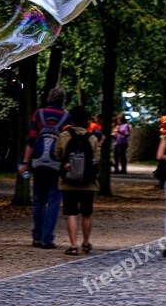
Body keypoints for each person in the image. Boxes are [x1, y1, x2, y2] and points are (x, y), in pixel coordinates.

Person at [18, 87, 70, 250]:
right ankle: (47, 239)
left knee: (38, 201)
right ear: (63, 100)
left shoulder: (38, 114)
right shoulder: (67, 117)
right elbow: (67, 142)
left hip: (38, 162)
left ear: (48, 97)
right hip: (57, 164)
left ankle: (36, 236)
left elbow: (32, 140)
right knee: (54, 201)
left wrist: (26, 162)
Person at [55, 106, 98, 256]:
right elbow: (95, 160)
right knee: (87, 213)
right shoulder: (92, 138)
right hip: (88, 182)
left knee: (71, 212)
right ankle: (86, 243)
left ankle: (73, 246)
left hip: (69, 181)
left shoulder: (64, 135)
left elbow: (57, 154)